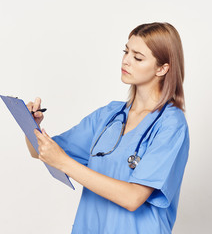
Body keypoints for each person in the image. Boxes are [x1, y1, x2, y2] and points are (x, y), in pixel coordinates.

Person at [25, 22, 189, 234]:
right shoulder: (108, 115)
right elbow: (42, 152)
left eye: (138, 57)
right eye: (126, 51)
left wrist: (64, 162)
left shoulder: (170, 125)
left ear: (162, 68)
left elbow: (133, 198)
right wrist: (32, 126)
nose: (126, 60)